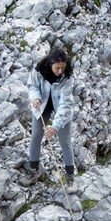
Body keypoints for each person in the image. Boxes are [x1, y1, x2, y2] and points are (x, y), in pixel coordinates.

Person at [27, 47, 76, 191]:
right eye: (57, 68)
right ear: (50, 64)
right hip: (42, 105)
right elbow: (33, 86)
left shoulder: (67, 78)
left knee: (65, 142)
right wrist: (35, 98)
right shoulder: (39, 70)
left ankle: (70, 180)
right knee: (36, 136)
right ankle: (33, 172)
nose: (60, 71)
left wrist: (55, 126)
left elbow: (65, 104)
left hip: (61, 106)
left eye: (63, 67)